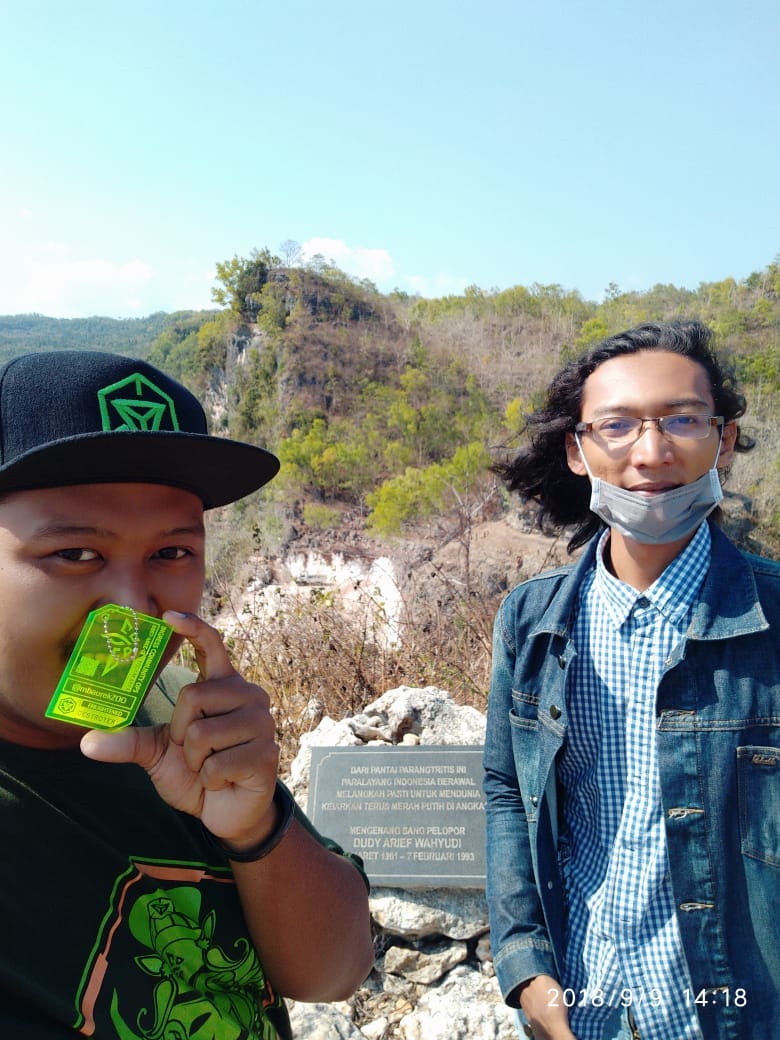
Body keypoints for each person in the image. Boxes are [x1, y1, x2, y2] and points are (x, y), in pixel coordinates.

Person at [0, 349, 374, 1038]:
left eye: (171, 553)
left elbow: (334, 973)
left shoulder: (181, 708)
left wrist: (255, 829)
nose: (132, 609)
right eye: (75, 553)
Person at [483, 321, 779, 1040]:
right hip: (585, 1010)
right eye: (616, 426)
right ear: (577, 450)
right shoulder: (532, 621)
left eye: (682, 419)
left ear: (725, 440)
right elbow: (506, 791)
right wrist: (527, 969)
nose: (650, 452)